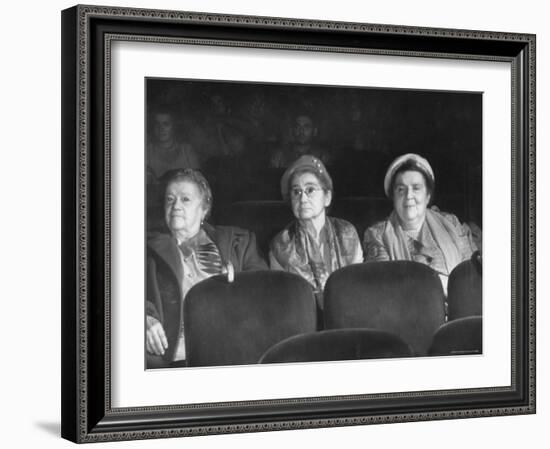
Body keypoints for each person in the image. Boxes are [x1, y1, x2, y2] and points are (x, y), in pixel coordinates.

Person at [146, 169, 268, 368]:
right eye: (170, 199)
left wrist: (238, 285)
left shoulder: (239, 243)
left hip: (235, 350)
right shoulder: (146, 250)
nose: (175, 206)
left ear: (204, 209)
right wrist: (144, 318)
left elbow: (267, 294)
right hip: (175, 354)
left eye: (185, 199)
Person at [363, 153, 479, 295]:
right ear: (393, 197)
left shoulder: (451, 223)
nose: (408, 196)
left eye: (416, 188)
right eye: (401, 189)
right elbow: (384, 291)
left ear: (428, 195)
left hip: (459, 310)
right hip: (409, 313)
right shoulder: (377, 235)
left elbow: (471, 275)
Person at [269, 156, 363, 318]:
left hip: (350, 318)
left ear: (327, 197)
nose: (303, 198)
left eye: (310, 190)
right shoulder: (280, 244)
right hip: (303, 323)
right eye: (296, 192)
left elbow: (356, 287)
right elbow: (285, 301)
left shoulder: (347, 232)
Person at [147, 107, 201, 181]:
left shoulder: (187, 151)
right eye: (157, 124)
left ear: (174, 126)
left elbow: (198, 182)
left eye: (166, 124)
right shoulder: (147, 152)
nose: (161, 128)